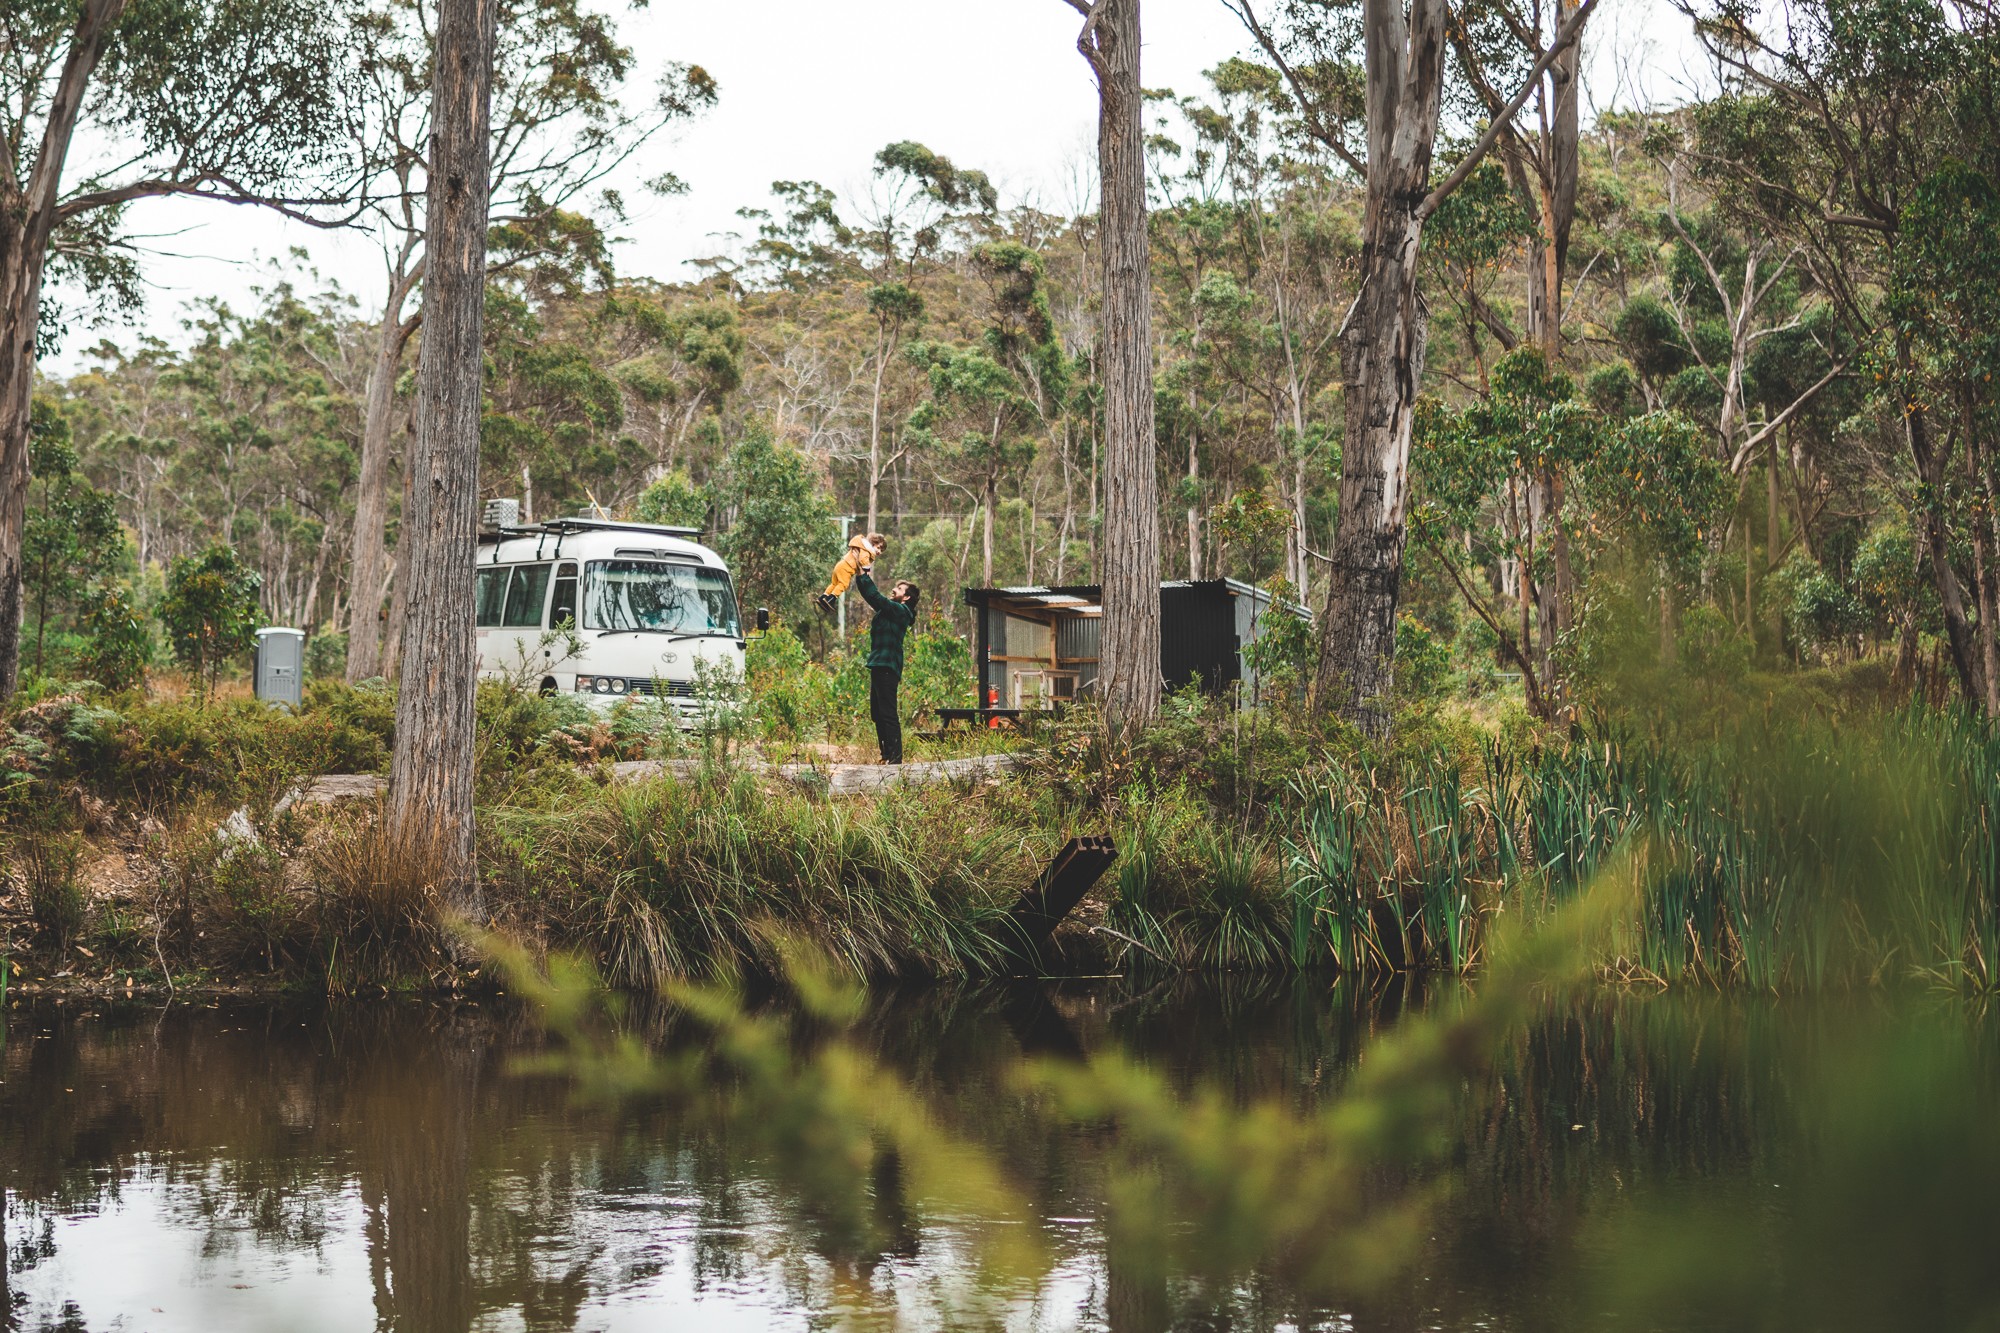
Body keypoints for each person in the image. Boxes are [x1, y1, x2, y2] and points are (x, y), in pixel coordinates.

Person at [855, 568, 919, 764]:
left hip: (887, 667)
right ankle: (886, 755)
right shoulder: (889, 611)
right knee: (877, 713)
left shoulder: (901, 612)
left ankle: (895, 759)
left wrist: (863, 575)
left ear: (906, 597)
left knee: (887, 713)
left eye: (899, 589)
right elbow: (874, 599)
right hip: (879, 665)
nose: (894, 589)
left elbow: (875, 597)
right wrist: (860, 576)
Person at [815, 532, 887, 614]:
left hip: (841, 565)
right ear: (873, 543)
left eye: (881, 551)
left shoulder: (861, 546)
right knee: (843, 584)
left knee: (834, 584)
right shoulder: (866, 550)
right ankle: (831, 599)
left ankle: (823, 597)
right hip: (847, 568)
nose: (879, 552)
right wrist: (867, 570)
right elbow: (863, 560)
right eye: (878, 548)